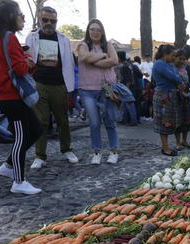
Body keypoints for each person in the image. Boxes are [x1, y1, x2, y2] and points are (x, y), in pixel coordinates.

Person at [0, 0, 43, 194]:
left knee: (36, 129)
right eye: (20, 14)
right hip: (11, 96)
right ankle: (19, 182)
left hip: (5, 95)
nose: (23, 17)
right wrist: (29, 60)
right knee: (21, 137)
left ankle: (8, 165)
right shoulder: (10, 38)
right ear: (10, 17)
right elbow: (20, 69)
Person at [25, 6, 78, 169]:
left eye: (52, 21)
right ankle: (40, 155)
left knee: (63, 120)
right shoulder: (31, 37)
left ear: (56, 22)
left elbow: (69, 63)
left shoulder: (63, 39)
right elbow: (27, 59)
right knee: (41, 121)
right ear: (40, 19)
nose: (49, 23)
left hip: (59, 84)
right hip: (38, 83)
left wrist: (70, 87)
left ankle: (67, 149)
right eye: (45, 19)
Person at [77, 19, 120, 165]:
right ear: (88, 31)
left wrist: (92, 60)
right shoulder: (83, 45)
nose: (95, 32)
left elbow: (114, 61)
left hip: (105, 88)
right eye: (92, 29)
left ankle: (114, 151)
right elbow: (83, 57)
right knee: (94, 123)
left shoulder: (107, 45)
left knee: (110, 121)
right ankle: (97, 152)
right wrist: (102, 56)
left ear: (102, 32)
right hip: (87, 90)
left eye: (98, 30)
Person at [152, 44, 185, 156]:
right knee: (163, 122)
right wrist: (179, 82)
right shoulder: (160, 64)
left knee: (168, 121)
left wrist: (179, 81)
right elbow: (174, 77)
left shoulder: (167, 64)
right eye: (172, 55)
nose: (174, 58)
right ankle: (165, 148)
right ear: (165, 54)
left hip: (168, 95)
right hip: (163, 96)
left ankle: (166, 147)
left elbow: (177, 77)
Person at [173, 48, 190, 149]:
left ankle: (184, 140)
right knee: (177, 120)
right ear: (175, 58)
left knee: (186, 119)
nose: (182, 61)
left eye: (184, 59)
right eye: (180, 59)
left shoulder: (187, 68)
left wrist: (186, 88)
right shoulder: (171, 68)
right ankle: (177, 142)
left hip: (186, 96)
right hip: (175, 96)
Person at [116, 51, 137, 126]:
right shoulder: (128, 64)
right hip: (127, 86)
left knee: (129, 104)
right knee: (124, 104)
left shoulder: (124, 66)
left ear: (119, 57)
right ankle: (123, 119)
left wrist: (126, 89)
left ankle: (133, 121)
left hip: (127, 87)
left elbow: (128, 79)